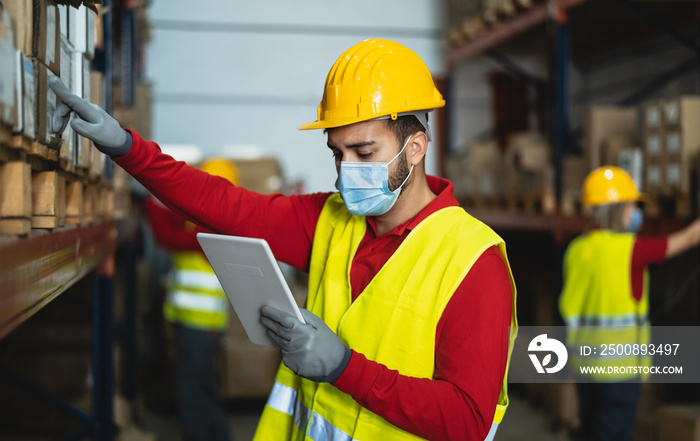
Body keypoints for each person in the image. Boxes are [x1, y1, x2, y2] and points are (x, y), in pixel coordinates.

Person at [49, 39, 518, 441]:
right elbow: (225, 205)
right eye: (338, 152)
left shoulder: (473, 261)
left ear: (415, 146)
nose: (347, 169)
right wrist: (127, 148)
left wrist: (344, 368)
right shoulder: (330, 220)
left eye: (364, 151)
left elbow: (468, 420)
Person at [558, 166, 700, 441]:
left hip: (584, 366)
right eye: (632, 204)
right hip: (619, 371)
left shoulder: (576, 251)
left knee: (590, 430)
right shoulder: (630, 250)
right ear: (617, 208)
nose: (636, 212)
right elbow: (690, 238)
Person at [144, 158, 239, 441]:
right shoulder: (204, 220)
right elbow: (177, 218)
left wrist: (150, 201)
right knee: (200, 389)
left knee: (195, 393)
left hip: (201, 325)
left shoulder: (214, 230)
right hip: (194, 323)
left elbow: (169, 237)